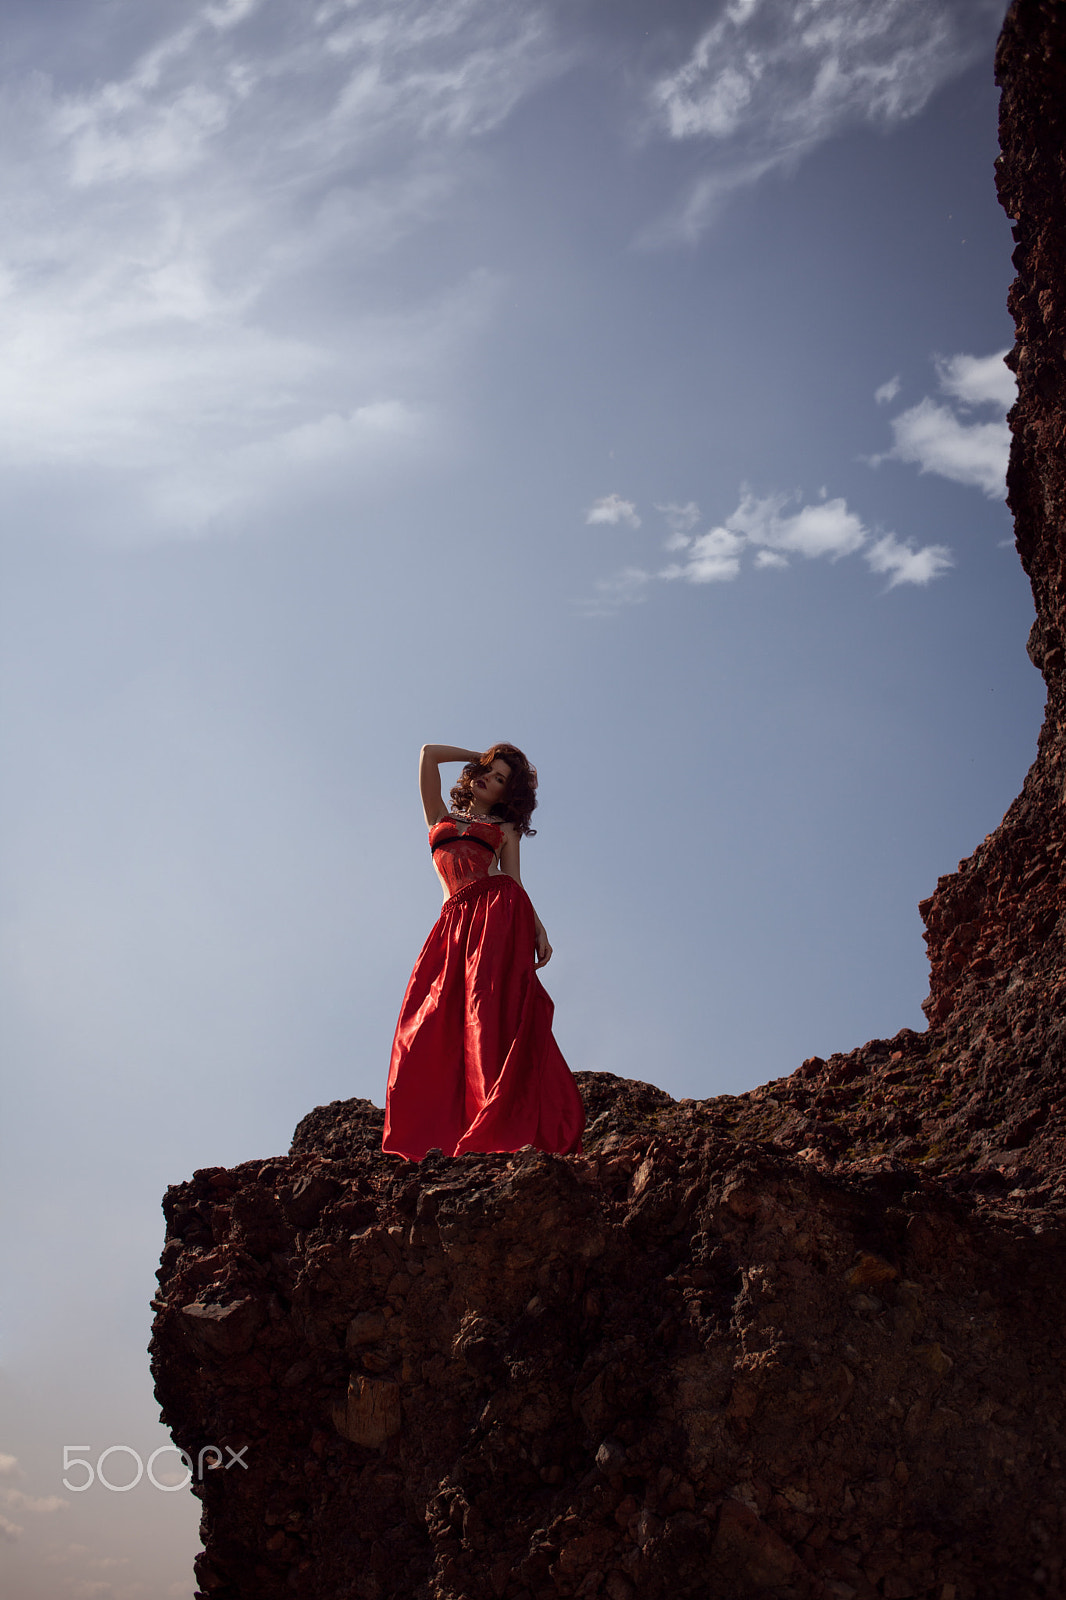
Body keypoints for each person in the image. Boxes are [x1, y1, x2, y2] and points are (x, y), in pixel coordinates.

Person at [382, 742, 585, 1161]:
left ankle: (495, 1115)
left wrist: (538, 929)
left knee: (485, 1012)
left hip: (498, 911)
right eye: (488, 772)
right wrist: (482, 755)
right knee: (429, 1020)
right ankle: (438, 1129)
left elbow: (516, 881)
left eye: (499, 780)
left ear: (504, 795)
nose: (489, 780)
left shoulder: (505, 830)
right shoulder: (438, 816)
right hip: (452, 923)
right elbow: (427, 755)